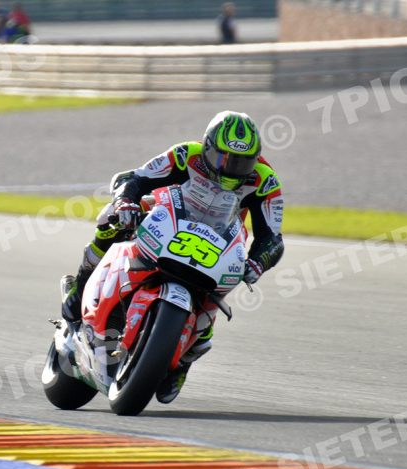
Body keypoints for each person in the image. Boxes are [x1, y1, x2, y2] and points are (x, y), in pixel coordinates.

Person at [61, 111, 285, 404]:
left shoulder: (265, 181)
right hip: (176, 212)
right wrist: (125, 201)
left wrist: (259, 261)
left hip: (221, 237)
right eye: (225, 159)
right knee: (112, 219)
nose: (232, 168)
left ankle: (183, 361)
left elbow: (272, 237)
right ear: (207, 148)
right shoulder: (184, 155)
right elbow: (137, 178)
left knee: (219, 289)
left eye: (242, 161)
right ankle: (82, 280)